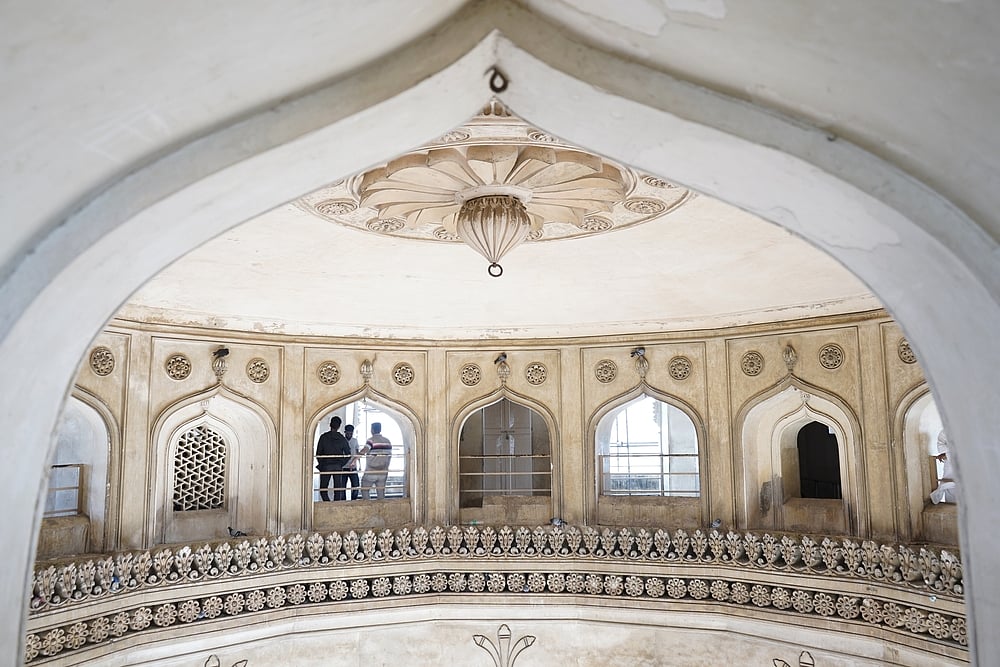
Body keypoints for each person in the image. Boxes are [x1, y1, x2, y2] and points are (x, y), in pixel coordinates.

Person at [315, 416, 351, 501]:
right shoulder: (342, 438)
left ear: (330, 424)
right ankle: (335, 505)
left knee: (323, 489)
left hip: (326, 466)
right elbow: (348, 454)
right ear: (339, 426)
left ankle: (327, 504)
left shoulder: (323, 437)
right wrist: (341, 463)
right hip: (337, 466)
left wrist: (322, 464)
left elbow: (318, 453)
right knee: (338, 490)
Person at [357, 422, 393, 500]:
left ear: (372, 430)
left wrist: (354, 460)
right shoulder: (387, 441)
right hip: (383, 471)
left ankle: (368, 507)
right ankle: (380, 509)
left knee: (365, 489)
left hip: (371, 471)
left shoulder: (371, 440)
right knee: (381, 492)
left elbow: (364, 450)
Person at [930, 431, 957, 504]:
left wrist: (948, 454)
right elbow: (941, 445)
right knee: (950, 488)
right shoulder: (945, 432)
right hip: (950, 466)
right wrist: (947, 454)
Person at [344, 424, 361, 500]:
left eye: (351, 433)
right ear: (345, 432)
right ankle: (343, 502)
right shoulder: (342, 440)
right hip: (344, 467)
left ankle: (353, 501)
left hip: (353, 467)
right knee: (342, 487)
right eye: (348, 433)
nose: (349, 435)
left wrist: (359, 465)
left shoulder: (355, 441)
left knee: (356, 485)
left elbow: (358, 453)